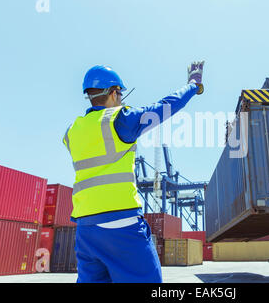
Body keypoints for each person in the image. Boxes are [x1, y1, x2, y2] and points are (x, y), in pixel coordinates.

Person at [63, 62, 204, 283]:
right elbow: (167, 105)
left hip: (86, 230)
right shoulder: (120, 119)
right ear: (113, 92)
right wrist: (193, 85)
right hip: (121, 226)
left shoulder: (72, 131)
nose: (121, 99)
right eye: (120, 94)